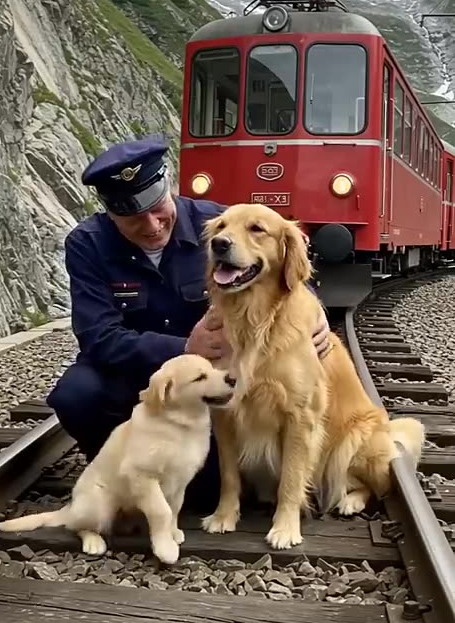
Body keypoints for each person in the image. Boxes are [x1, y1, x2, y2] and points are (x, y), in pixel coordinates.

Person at [47, 137, 330, 510]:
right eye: (133, 217)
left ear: (170, 187)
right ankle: (115, 478)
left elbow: (281, 271)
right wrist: (183, 348)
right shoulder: (88, 244)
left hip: (202, 391)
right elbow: (97, 337)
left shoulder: (219, 227)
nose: (151, 225)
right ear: (109, 212)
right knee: (75, 395)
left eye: (157, 208)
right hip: (131, 375)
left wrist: (315, 308)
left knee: (204, 494)